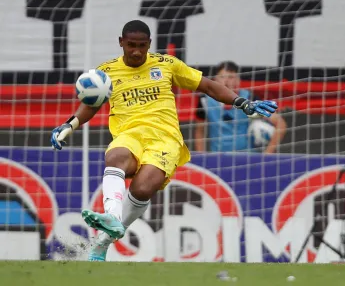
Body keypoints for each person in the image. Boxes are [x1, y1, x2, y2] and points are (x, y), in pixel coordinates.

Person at [50, 20, 278, 261]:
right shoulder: (106, 72)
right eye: (130, 45)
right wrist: (69, 124)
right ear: (121, 43)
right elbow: (91, 104)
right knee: (115, 157)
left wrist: (243, 103)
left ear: (149, 44)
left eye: (142, 46)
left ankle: (102, 242)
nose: (136, 51)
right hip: (129, 135)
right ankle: (112, 217)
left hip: (165, 139)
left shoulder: (166, 64)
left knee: (142, 188)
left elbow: (209, 86)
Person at [194, 61, 286, 153]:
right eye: (222, 77)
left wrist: (267, 154)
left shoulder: (250, 99)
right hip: (217, 158)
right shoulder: (205, 101)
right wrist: (202, 156)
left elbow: (280, 124)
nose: (226, 81)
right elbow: (199, 131)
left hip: (246, 158)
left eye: (231, 77)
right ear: (215, 80)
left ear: (238, 80)